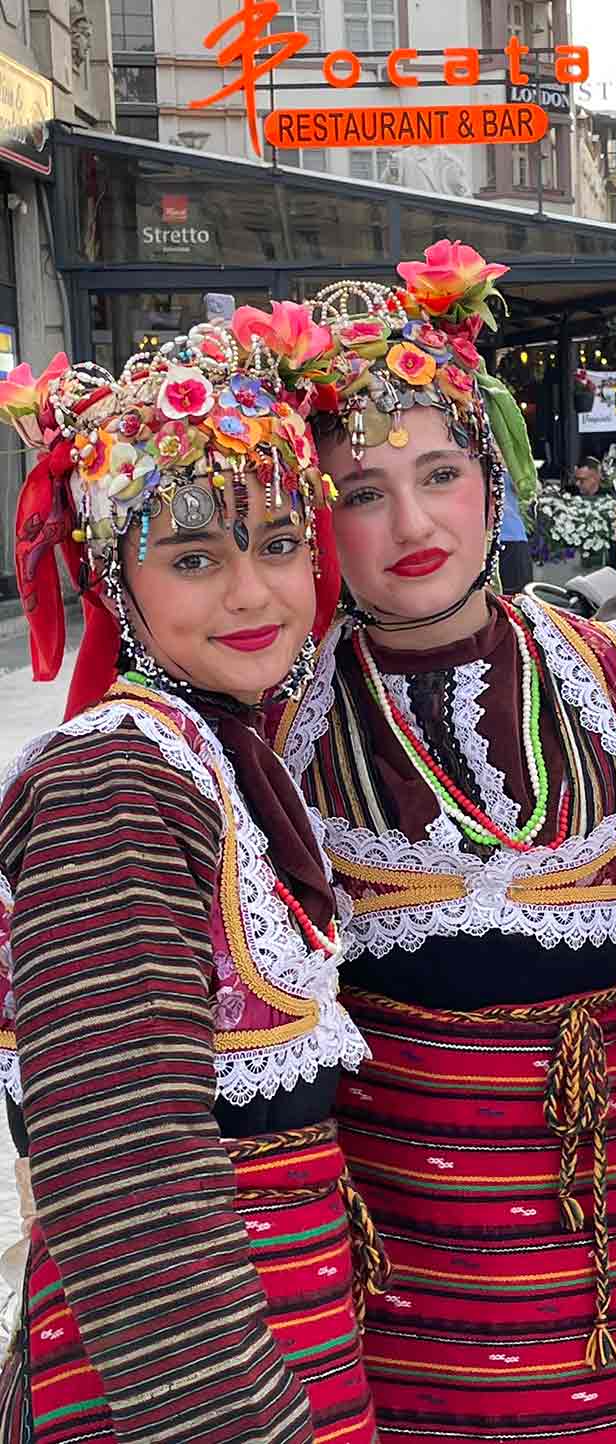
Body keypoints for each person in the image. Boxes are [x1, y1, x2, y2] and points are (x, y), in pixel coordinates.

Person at [271, 243, 616, 1441]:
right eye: (358, 491)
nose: (411, 522)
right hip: (375, 1239)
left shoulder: (613, 670)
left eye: (440, 473)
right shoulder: (281, 710)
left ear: (492, 484)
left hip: (584, 1246)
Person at [0, 319, 384, 1442]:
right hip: (184, 1386)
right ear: (119, 581)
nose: (252, 593)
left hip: (286, 1341)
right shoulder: (114, 778)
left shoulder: (218, 751)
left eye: (275, 542)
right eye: (194, 557)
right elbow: (126, 1168)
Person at [495, 465, 534, 593]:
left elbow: (528, 490)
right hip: (485, 541)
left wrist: (509, 464)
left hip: (512, 538)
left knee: (518, 597)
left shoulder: (509, 467)